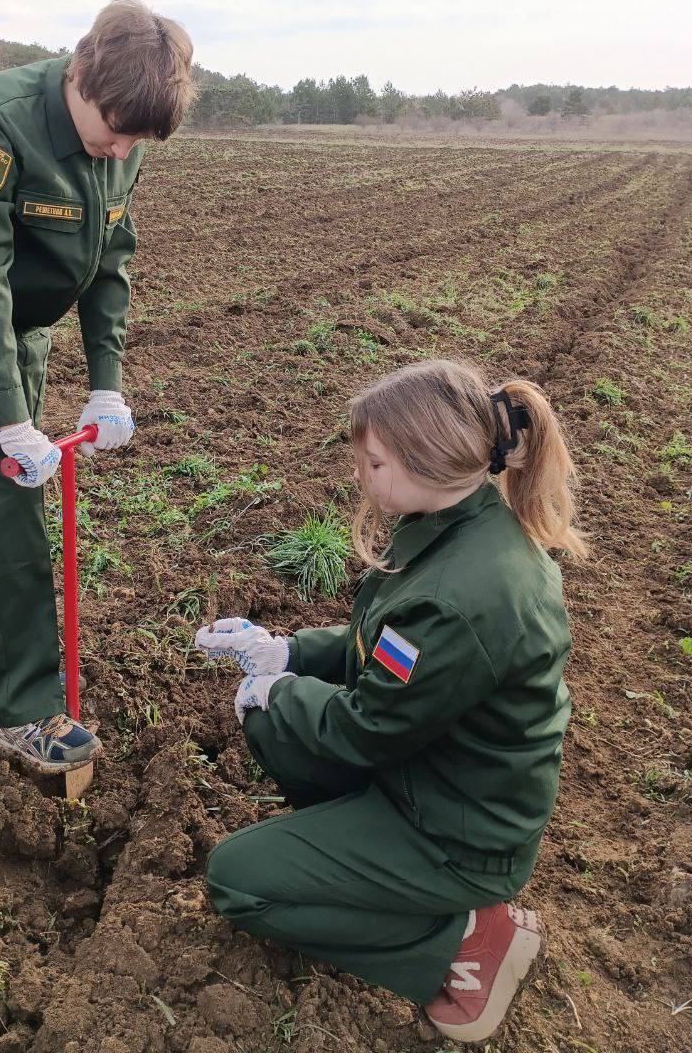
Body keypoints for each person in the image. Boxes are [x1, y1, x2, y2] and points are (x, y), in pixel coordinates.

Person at [197, 358, 588, 1045]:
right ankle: (381, 873)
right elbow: (383, 649)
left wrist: (278, 692)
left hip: (458, 836)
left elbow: (367, 727)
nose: (361, 476)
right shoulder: (462, 527)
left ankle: (462, 941)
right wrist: (285, 653)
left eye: (373, 463)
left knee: (237, 879)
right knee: (276, 726)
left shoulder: (461, 595)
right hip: (439, 779)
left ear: (427, 461)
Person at [0, 0, 195, 774]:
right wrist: (8, 419)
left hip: (27, 326)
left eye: (136, 140)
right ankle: (23, 709)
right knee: (11, 499)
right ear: (81, 72)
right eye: (114, 130)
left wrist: (107, 384)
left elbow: (111, 258)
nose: (120, 148)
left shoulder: (120, 137)